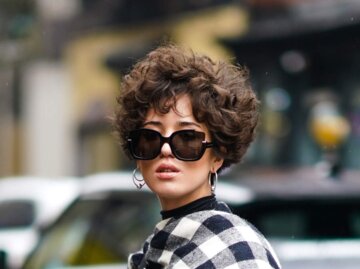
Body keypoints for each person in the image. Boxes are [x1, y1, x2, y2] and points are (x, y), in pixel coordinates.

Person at [114, 44, 281, 269]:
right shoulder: (153, 253)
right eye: (150, 137)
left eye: (187, 138)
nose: (165, 149)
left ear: (218, 155)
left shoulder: (237, 251)